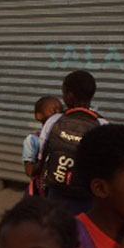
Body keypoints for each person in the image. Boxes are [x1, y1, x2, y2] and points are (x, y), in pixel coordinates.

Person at [38, 70, 108, 214]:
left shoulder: (54, 120)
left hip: (56, 192)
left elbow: (42, 153)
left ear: (69, 96)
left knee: (54, 229)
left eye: (63, 93)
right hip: (87, 197)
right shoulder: (102, 124)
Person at [22, 96, 63, 196]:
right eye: (53, 112)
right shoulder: (33, 140)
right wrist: (45, 158)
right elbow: (29, 171)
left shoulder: (65, 138)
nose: (58, 115)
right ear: (39, 116)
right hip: (38, 192)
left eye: (61, 111)